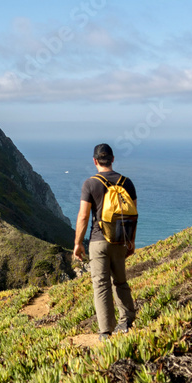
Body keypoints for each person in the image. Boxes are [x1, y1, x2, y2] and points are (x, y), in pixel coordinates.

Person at [73, 143, 137, 341]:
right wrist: (131, 241)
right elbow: (133, 214)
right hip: (120, 240)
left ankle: (105, 331)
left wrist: (78, 243)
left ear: (95, 161)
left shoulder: (90, 184)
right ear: (113, 159)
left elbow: (83, 216)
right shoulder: (127, 182)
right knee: (120, 281)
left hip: (98, 241)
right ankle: (126, 322)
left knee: (101, 285)